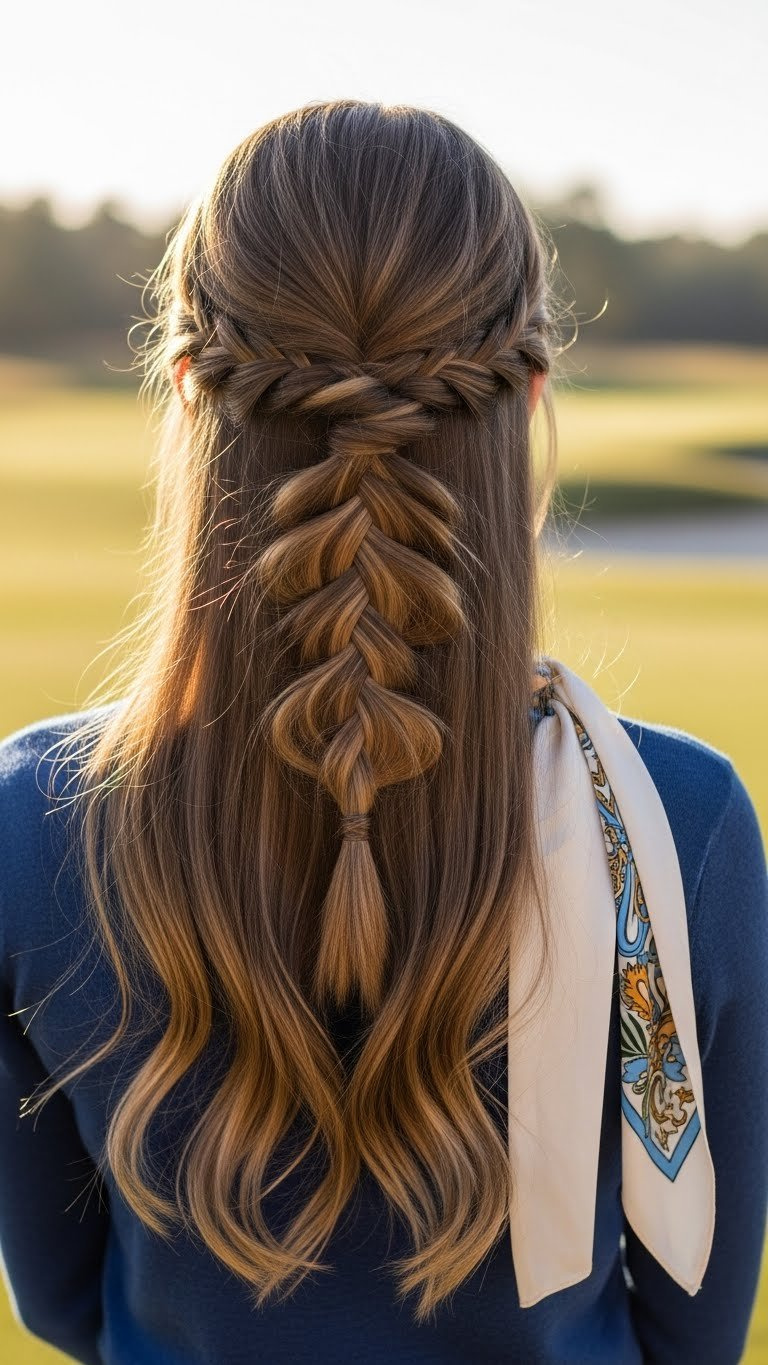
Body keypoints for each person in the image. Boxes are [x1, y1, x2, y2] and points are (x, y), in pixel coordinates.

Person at [1, 98, 766, 1365]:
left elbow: (61, 1302)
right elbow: (698, 1324)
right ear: (526, 395)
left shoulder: (32, 816)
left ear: (185, 387)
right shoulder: (677, 818)